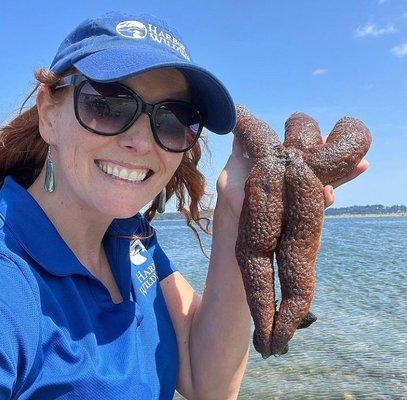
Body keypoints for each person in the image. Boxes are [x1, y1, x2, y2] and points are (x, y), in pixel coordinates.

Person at [0, 10, 369, 400]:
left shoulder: (130, 238)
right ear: (48, 114)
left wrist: (236, 211)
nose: (141, 142)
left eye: (174, 119)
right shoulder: (11, 284)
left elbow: (205, 379)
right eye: (107, 104)